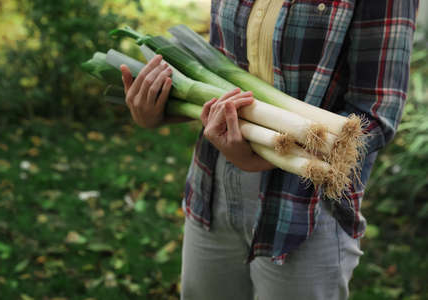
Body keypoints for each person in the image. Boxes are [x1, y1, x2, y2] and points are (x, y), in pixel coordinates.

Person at [120, 0, 419, 299]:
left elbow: (377, 116)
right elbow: (218, 68)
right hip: (212, 184)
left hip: (307, 199)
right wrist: (158, 111)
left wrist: (262, 159)